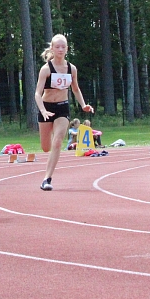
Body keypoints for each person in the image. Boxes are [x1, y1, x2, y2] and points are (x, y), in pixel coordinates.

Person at [35, 34, 93, 191]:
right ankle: (50, 146)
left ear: (67, 49)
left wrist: (83, 105)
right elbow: (37, 93)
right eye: (57, 46)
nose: (60, 49)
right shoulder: (46, 69)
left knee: (58, 140)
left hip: (62, 107)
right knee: (45, 147)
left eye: (63, 46)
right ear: (52, 49)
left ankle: (47, 179)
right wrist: (42, 110)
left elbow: (75, 88)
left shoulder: (71, 68)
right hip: (46, 108)